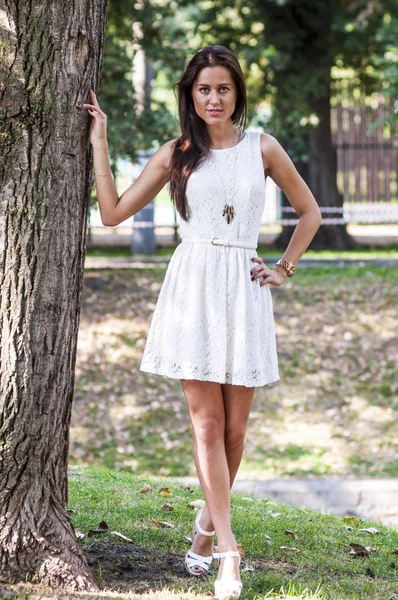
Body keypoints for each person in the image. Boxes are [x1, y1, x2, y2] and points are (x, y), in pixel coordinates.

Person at [83, 44, 322, 600]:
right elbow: (114, 214)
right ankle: (229, 555)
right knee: (207, 426)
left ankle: (204, 530)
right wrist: (100, 141)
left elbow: (308, 212)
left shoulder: (263, 147)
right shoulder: (178, 153)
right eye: (203, 89)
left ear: (237, 94)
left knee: (235, 432)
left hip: (243, 287)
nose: (214, 98)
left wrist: (284, 268)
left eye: (223, 88)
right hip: (193, 287)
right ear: (190, 95)